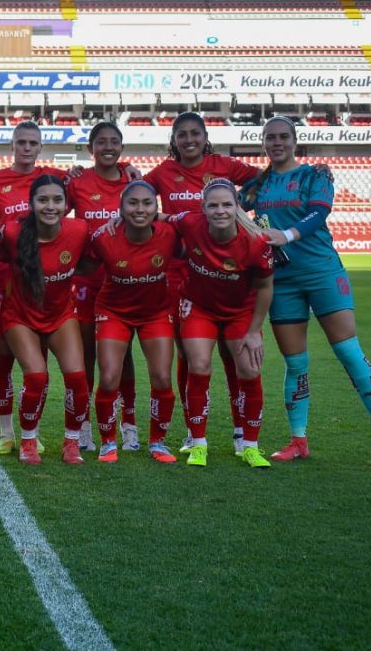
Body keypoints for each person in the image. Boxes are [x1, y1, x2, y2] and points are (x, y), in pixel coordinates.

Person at [241, 116, 371, 469]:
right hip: (281, 280)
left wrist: (287, 235)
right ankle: (299, 440)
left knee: (348, 352)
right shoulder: (258, 185)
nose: (277, 142)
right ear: (263, 142)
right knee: (295, 363)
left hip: (322, 273)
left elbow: (319, 214)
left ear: (295, 140)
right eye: (270, 138)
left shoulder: (315, 175)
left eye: (283, 136)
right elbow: (229, 204)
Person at [144, 112, 262, 455]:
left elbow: (263, 179)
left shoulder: (222, 164)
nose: (189, 140)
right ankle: (193, 429)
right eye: (182, 135)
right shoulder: (163, 172)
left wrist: (252, 209)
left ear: (205, 135)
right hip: (181, 275)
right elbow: (136, 197)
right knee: (191, 355)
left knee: (232, 353)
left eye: (195, 133)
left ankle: (242, 429)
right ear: (174, 139)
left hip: (226, 274)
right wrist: (164, 214)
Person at [167, 180, 274, 467]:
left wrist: (254, 332)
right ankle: (198, 442)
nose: (220, 210)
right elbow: (160, 217)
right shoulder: (190, 223)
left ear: (237, 207)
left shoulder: (256, 241)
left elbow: (265, 287)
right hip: (199, 307)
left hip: (240, 312)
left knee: (249, 371)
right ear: (203, 208)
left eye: (227, 204)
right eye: (212, 205)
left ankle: (250, 445)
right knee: (199, 365)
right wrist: (119, 218)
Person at [0, 121, 67, 455]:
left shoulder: (52, 177)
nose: (27, 148)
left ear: (40, 147)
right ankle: (5, 432)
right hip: (3, 281)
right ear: (12, 146)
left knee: (37, 361)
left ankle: (34, 430)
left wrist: (127, 167)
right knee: (2, 360)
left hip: (42, 284)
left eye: (33, 143)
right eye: (21, 142)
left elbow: (93, 175)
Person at [0, 174, 91, 465]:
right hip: (20, 316)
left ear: (66, 204)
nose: (51, 206)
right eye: (43, 200)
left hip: (60, 315)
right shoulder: (12, 233)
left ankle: (71, 443)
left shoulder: (79, 230)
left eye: (57, 200)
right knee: (36, 376)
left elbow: (99, 254)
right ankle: (27, 440)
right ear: (31, 203)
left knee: (78, 378)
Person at [87, 180, 179, 465]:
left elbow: (199, 224)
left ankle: (158, 443)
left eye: (147, 203)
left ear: (156, 208)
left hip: (155, 312)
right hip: (114, 311)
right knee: (109, 376)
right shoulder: (103, 237)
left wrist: (164, 217)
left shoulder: (170, 233)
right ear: (121, 208)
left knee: (162, 377)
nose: (140, 209)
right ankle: (107, 442)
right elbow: (83, 266)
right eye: (133, 203)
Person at [65, 122, 141, 453]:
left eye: (114, 142)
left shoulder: (134, 180)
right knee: (85, 354)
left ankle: (129, 423)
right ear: (90, 148)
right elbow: (53, 210)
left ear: (122, 147)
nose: (108, 147)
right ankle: (82, 425)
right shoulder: (78, 182)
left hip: (124, 281)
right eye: (101, 142)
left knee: (122, 357)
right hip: (86, 280)